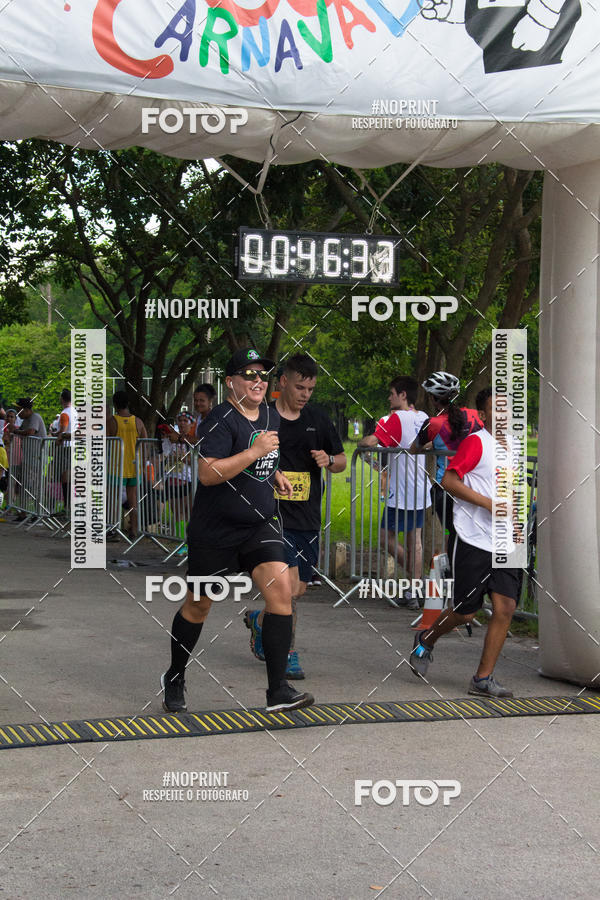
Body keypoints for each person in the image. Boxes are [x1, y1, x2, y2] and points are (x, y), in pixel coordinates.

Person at [161, 347, 315, 714]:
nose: (257, 381)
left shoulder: (268, 414)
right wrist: (254, 452)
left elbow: (263, 458)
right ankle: (175, 675)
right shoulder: (219, 418)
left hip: (259, 524)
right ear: (230, 382)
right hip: (216, 530)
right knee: (199, 606)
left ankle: (277, 690)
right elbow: (207, 472)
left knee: (281, 596)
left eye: (262, 375)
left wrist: (273, 473)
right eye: (248, 375)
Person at [409, 387, 519, 698]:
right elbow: (449, 480)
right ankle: (427, 639)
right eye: (495, 410)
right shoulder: (476, 442)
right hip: (473, 538)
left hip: (505, 541)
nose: (503, 415)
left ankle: (483, 679)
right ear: (483, 416)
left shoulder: (515, 446)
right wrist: (487, 504)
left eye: (506, 409)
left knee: (506, 606)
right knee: (465, 612)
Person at [244, 354, 346, 679]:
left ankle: (260, 620)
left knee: (297, 590)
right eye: (300, 386)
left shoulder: (318, 419)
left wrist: (328, 459)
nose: (305, 394)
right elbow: (246, 459)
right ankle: (287, 653)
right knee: (286, 590)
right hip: (270, 516)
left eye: (311, 389)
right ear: (283, 382)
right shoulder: (263, 418)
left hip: (307, 516)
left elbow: (342, 460)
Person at [359, 376, 430, 604]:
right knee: (415, 539)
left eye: (392, 393)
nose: (389, 397)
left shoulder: (397, 418)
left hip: (401, 491)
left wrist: (360, 443)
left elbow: (372, 442)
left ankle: (416, 580)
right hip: (420, 489)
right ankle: (415, 587)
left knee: (385, 537)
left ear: (403, 395)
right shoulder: (424, 417)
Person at [410, 372, 482, 538]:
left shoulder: (433, 424)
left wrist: (434, 444)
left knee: (454, 536)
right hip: (475, 485)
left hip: (447, 488)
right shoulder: (474, 415)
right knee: (474, 537)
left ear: (433, 399)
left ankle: (454, 563)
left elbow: (413, 449)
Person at [107, 391, 147, 539]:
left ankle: (113, 529)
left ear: (115, 405)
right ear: (128, 403)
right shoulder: (138, 421)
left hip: (116, 466)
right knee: (133, 499)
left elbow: (105, 440)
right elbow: (145, 443)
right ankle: (134, 530)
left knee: (113, 499)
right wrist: (142, 463)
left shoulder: (112, 421)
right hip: (134, 465)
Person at [55, 388, 77, 513]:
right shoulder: (74, 411)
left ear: (62, 399)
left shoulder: (65, 413)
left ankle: (67, 505)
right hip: (73, 445)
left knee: (65, 475)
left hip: (66, 446)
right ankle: (68, 505)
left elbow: (64, 428)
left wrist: (58, 437)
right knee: (69, 474)